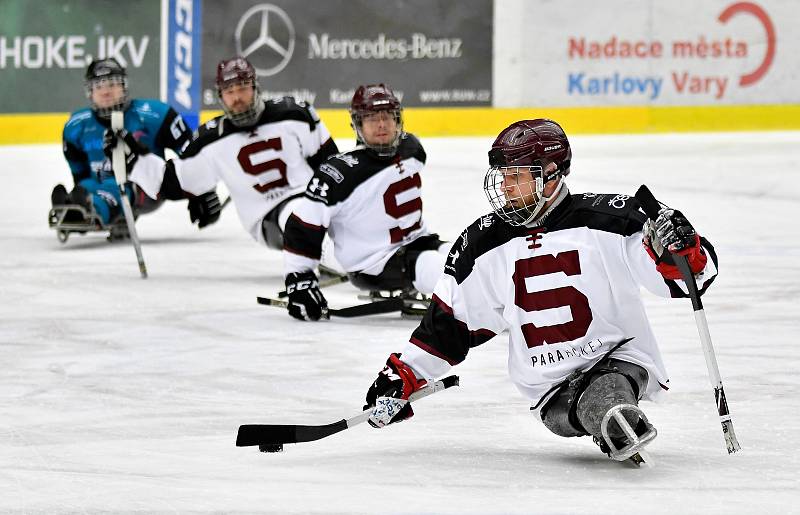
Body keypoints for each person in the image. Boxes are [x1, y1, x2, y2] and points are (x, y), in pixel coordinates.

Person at [361, 119, 719, 461]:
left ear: (551, 176)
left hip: (621, 357)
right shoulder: (482, 242)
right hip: (551, 390)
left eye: (516, 176)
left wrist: (683, 251)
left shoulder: (612, 220)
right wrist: (404, 374)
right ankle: (608, 418)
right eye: (503, 176)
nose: (505, 187)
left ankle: (613, 414)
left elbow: (681, 282)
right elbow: (451, 323)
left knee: (608, 389)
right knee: (591, 401)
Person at [126, 56, 339, 249]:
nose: (237, 97)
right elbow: (169, 183)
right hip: (268, 217)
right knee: (297, 213)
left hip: (313, 199)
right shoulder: (209, 141)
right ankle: (339, 261)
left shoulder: (295, 114)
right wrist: (135, 161)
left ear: (256, 88)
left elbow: (331, 164)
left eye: (243, 87)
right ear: (221, 97)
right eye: (230, 91)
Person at [281, 83, 449, 321]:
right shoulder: (339, 174)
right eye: (371, 118)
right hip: (377, 263)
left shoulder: (411, 149)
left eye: (387, 117)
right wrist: (299, 279)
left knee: (475, 258)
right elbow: (303, 225)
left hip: (420, 242)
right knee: (455, 275)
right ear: (357, 125)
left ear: (398, 119)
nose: (382, 125)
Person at [52, 57, 218, 230]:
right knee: (86, 186)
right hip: (99, 183)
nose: (105, 92)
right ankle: (74, 204)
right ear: (90, 92)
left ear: (124, 86)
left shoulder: (156, 115)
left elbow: (191, 156)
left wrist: (202, 193)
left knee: (118, 186)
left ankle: (93, 209)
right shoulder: (76, 126)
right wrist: (81, 190)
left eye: (112, 84)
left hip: (149, 188)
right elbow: (80, 175)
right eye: (98, 86)